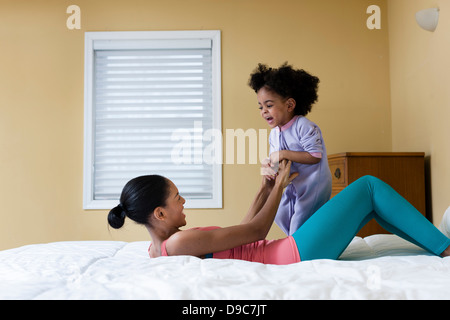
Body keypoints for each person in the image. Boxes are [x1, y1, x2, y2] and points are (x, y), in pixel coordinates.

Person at [108, 160, 450, 265]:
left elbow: (241, 233)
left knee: (367, 207)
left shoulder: (158, 249)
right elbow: (257, 233)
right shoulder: (179, 244)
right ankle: (443, 247)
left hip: (285, 253)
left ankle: (438, 246)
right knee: (368, 187)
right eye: (177, 199)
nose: (184, 203)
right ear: (160, 213)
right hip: (290, 255)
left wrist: (264, 190)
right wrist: (283, 185)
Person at [248, 63, 332, 235]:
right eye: (260, 107)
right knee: (280, 213)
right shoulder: (274, 133)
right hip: (294, 184)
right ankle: (295, 242)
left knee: (300, 218)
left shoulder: (304, 126)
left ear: (289, 105)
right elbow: (277, 158)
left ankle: (296, 247)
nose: (264, 111)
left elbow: (315, 156)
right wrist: (270, 166)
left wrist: (283, 154)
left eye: (269, 105)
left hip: (313, 184)